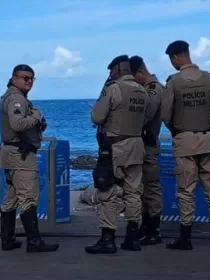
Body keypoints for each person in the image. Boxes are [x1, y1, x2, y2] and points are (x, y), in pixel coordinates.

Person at [161, 40, 210, 250]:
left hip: (185, 141)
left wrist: (176, 129)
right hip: (208, 139)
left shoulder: (174, 81)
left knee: (185, 190)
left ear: (175, 57)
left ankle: (185, 237)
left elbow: (165, 114)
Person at [85, 55, 150, 254]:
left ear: (117, 70)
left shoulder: (113, 89)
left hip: (115, 147)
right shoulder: (143, 92)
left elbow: (97, 117)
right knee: (134, 193)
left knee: (107, 192)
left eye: (111, 70)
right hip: (137, 146)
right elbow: (145, 120)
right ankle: (132, 236)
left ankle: (108, 238)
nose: (110, 74)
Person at [0, 64, 59, 253]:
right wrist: (36, 118)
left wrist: (38, 125)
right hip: (20, 154)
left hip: (11, 152)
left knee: (11, 198)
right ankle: (34, 241)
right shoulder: (16, 98)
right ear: (14, 78)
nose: (29, 81)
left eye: (32, 78)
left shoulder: (12, 96)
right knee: (27, 197)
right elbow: (17, 124)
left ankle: (8, 239)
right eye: (25, 78)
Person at [129, 55, 164, 245]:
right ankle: (145, 225)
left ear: (141, 73)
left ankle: (154, 228)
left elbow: (146, 115)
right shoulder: (145, 88)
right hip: (141, 145)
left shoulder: (154, 89)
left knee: (151, 188)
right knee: (141, 189)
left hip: (148, 144)